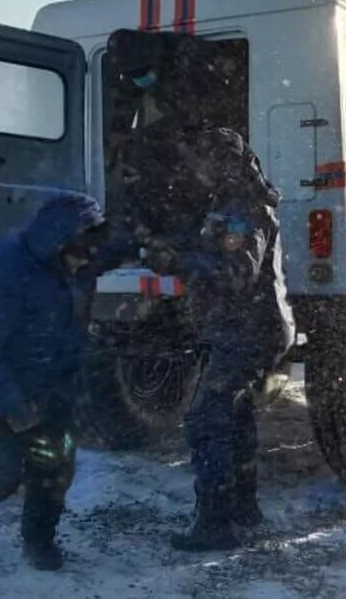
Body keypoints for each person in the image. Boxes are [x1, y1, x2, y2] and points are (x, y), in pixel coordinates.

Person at [108, 30, 296, 551]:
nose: (194, 168)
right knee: (232, 413)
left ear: (225, 165)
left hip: (250, 327)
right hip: (239, 326)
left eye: (204, 162)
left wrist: (179, 259)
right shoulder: (225, 205)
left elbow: (234, 272)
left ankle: (216, 523)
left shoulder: (241, 208)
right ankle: (245, 509)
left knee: (207, 416)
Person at [0, 192, 132, 570]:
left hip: (54, 383)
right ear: (58, 243)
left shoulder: (75, 259)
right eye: (80, 256)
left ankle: (39, 540)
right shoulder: (7, 276)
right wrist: (12, 405)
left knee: (54, 467)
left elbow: (115, 248)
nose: (86, 264)